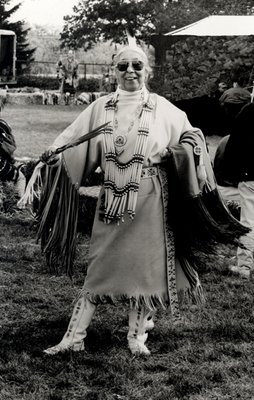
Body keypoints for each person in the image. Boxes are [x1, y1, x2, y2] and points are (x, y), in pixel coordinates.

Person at [21, 42, 247, 356]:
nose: (130, 71)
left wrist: (177, 152)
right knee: (98, 269)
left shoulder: (162, 107)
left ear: (147, 71)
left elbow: (191, 136)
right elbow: (72, 139)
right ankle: (74, 338)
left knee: (144, 271)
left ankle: (136, 337)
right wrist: (53, 156)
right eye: (123, 66)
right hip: (112, 199)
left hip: (151, 199)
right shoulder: (101, 107)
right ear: (114, 71)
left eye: (137, 66)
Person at [217, 102, 254, 280]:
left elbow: (234, 144)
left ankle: (245, 266)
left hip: (250, 175)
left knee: (248, 222)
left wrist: (235, 173)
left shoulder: (249, 111)